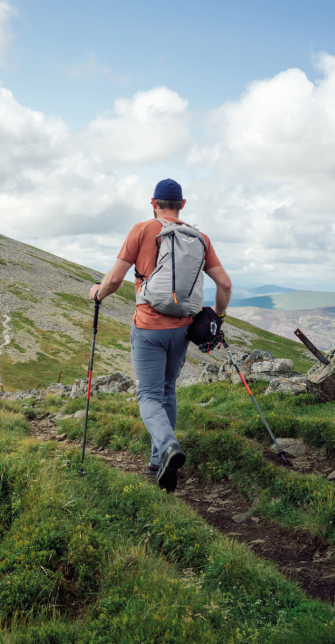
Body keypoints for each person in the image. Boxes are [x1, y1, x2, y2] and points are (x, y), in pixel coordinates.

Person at [88, 179, 231, 492]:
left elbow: (115, 278)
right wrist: (217, 319)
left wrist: (98, 294)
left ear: (153, 202)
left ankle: (168, 447)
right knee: (168, 390)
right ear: (182, 204)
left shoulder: (141, 230)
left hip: (149, 329)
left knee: (148, 394)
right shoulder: (200, 238)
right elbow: (225, 285)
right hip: (182, 330)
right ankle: (158, 463)